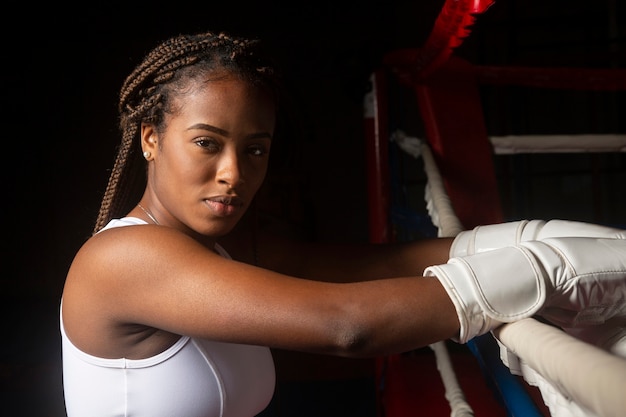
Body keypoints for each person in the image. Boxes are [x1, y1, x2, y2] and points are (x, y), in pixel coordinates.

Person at [60, 30, 626, 417]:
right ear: (151, 139)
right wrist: (544, 271)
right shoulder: (122, 261)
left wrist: (527, 237)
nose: (233, 173)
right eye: (207, 143)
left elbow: (374, 267)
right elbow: (346, 325)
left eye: (255, 150)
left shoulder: (227, 248)